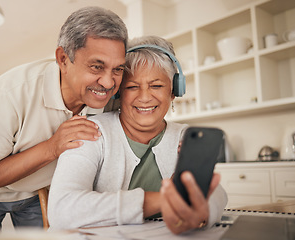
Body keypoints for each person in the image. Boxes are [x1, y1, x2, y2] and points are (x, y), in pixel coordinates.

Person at [0, 6, 128, 237]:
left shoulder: (108, 98)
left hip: (37, 194)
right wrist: (52, 147)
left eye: (117, 69)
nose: (108, 83)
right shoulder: (11, 92)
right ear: (63, 59)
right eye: (96, 66)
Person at [47, 35, 227, 233]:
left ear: (174, 90)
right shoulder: (90, 131)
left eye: (156, 85)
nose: (144, 98)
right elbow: (61, 209)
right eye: (132, 87)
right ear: (118, 93)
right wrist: (163, 200)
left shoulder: (185, 136)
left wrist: (200, 213)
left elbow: (216, 193)